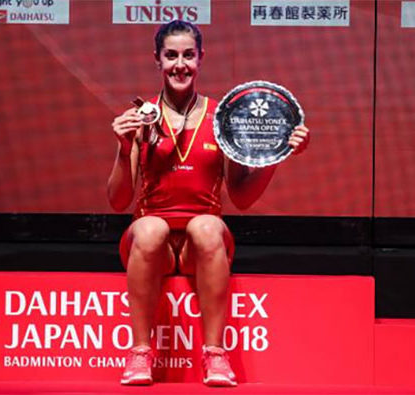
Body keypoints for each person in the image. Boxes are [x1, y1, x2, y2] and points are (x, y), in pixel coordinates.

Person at [107, 20, 310, 387]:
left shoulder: (223, 118)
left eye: (188, 55)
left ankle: (215, 355)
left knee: (206, 224)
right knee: (151, 228)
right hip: (149, 245)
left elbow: (242, 198)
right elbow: (119, 201)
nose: (180, 64)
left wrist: (278, 154)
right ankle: (140, 352)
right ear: (157, 60)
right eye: (171, 56)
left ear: (201, 58)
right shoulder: (140, 118)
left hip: (203, 246)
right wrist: (124, 151)